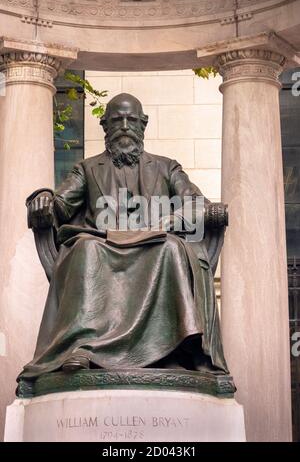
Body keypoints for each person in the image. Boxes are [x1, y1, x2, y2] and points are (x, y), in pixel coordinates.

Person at [20, 93, 228, 380]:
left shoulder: (167, 167)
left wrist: (172, 220)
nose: (125, 126)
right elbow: (61, 204)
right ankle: (82, 346)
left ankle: (172, 350)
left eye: (132, 120)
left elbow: (196, 204)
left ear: (144, 124)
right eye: (117, 120)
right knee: (84, 249)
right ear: (105, 125)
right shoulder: (87, 168)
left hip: (155, 242)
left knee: (171, 249)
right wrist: (43, 197)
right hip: (102, 241)